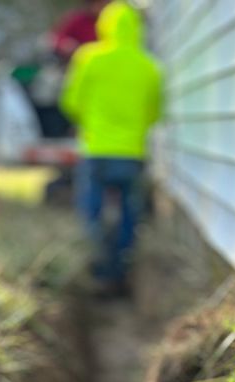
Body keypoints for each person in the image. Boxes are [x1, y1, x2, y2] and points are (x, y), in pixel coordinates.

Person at [61, 1, 162, 295]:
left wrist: (90, 122)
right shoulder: (149, 66)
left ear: (103, 27)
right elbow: (155, 113)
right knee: (130, 212)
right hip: (132, 153)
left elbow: (71, 102)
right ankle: (122, 266)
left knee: (91, 209)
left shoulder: (89, 58)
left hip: (96, 151)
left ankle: (97, 261)